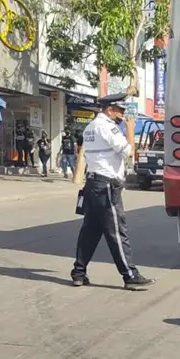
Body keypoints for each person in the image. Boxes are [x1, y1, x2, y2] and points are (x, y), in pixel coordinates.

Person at [71, 94, 155, 289]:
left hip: (93, 183)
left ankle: (79, 273)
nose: (123, 114)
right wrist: (131, 129)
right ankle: (129, 275)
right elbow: (127, 151)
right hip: (107, 185)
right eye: (120, 110)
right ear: (109, 110)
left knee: (90, 232)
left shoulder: (91, 126)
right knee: (117, 231)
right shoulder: (107, 127)